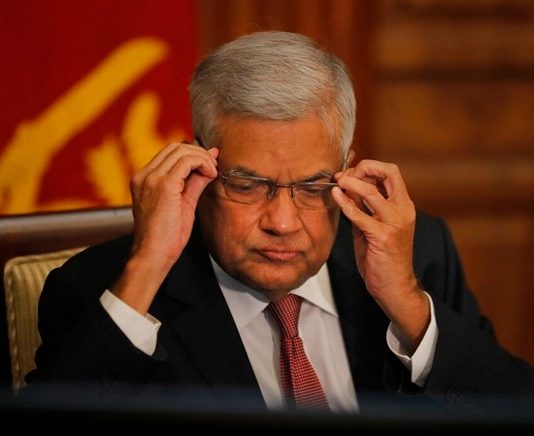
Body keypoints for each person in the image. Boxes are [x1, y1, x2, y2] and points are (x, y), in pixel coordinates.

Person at [26, 31, 533, 415]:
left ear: (346, 171)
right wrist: (147, 268)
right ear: (197, 168)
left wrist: (408, 307)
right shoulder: (107, 289)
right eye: (247, 185)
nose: (283, 222)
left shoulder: (417, 254)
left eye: (312, 187)